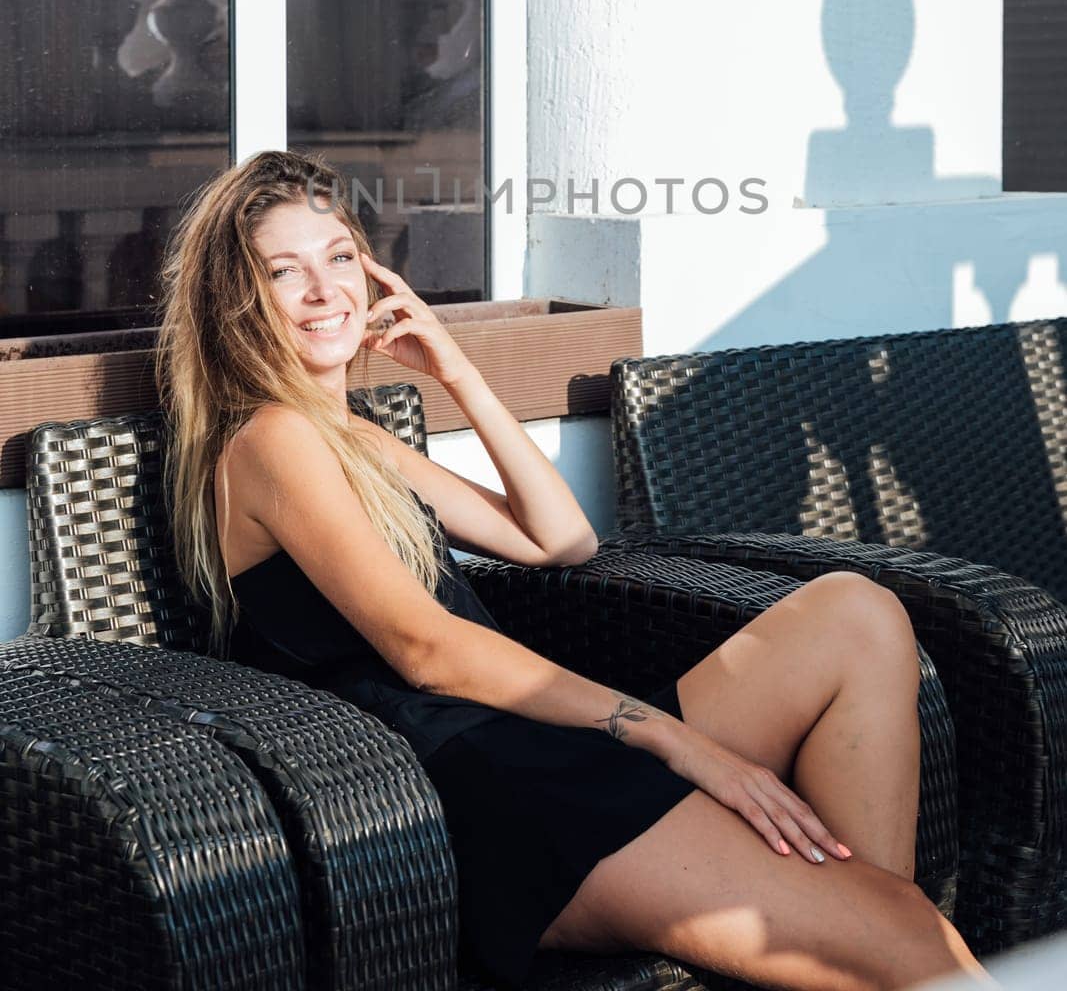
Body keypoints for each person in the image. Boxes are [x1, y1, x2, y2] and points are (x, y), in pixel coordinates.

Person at [158, 149, 995, 991]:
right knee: (908, 948)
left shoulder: (355, 436)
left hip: (536, 745)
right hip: (477, 794)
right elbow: (425, 649)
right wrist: (676, 741)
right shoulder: (271, 440)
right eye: (282, 271)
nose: (323, 289)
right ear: (238, 305)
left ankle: (866, 934)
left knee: (855, 614)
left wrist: (456, 370)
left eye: (339, 257)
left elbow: (560, 542)